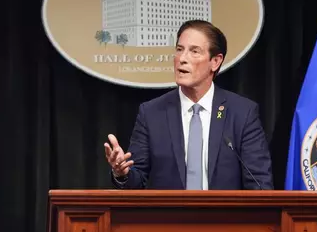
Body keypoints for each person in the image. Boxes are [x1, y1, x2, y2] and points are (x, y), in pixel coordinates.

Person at [104, 20, 273, 190]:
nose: (182, 59)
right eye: (179, 49)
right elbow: (136, 180)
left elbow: (260, 185)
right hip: (169, 216)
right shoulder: (151, 113)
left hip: (225, 216)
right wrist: (122, 173)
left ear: (215, 61)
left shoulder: (242, 113)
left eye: (194, 51)